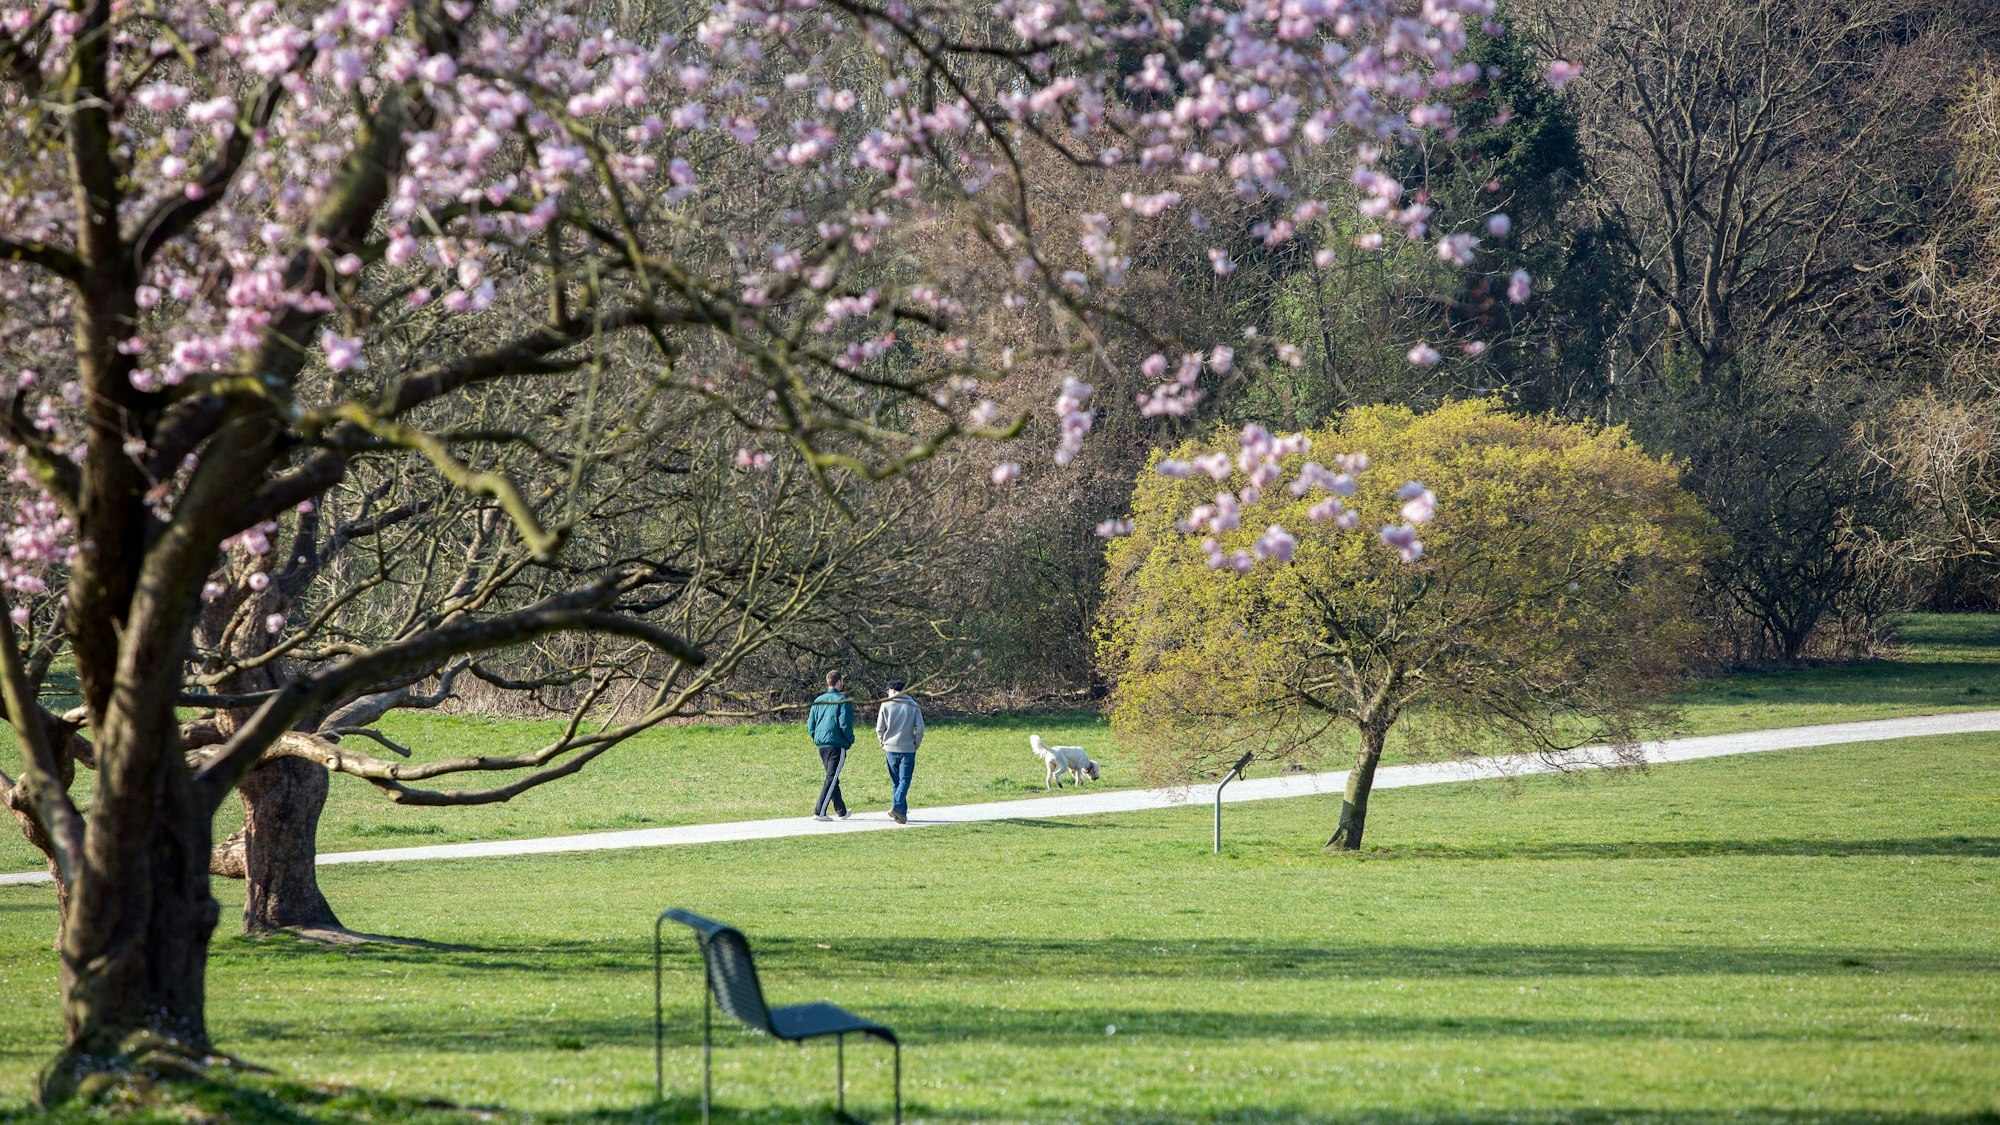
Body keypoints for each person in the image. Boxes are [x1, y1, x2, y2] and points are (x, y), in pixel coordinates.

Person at [807, 671, 855, 821]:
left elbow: (810, 724)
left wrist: (816, 737)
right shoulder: (843, 700)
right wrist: (850, 740)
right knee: (832, 777)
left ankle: (841, 811)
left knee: (832, 778)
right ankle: (819, 811)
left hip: (822, 744)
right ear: (839, 682)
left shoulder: (818, 700)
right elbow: (845, 724)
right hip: (836, 743)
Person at [875, 679, 925, 824]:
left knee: (896, 782)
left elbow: (879, 728)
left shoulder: (885, 705)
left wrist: (882, 742)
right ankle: (899, 810)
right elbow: (920, 729)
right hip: (908, 748)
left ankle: (899, 811)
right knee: (905, 780)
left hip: (890, 748)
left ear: (893, 690)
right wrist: (916, 743)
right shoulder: (913, 705)